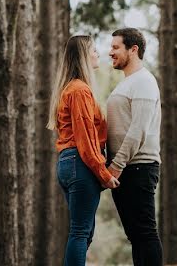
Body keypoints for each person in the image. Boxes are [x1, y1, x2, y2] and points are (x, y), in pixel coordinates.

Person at [48, 34, 120, 266]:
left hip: (70, 164)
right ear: (83, 56)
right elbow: (86, 140)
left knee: (83, 232)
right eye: (94, 50)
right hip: (80, 164)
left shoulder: (71, 89)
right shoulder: (79, 90)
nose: (98, 54)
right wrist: (104, 173)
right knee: (80, 232)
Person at [106, 27, 163, 266]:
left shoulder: (144, 81)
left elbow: (138, 129)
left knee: (145, 234)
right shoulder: (128, 83)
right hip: (126, 169)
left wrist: (116, 166)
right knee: (136, 236)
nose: (111, 52)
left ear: (134, 49)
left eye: (116, 47)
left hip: (138, 167)